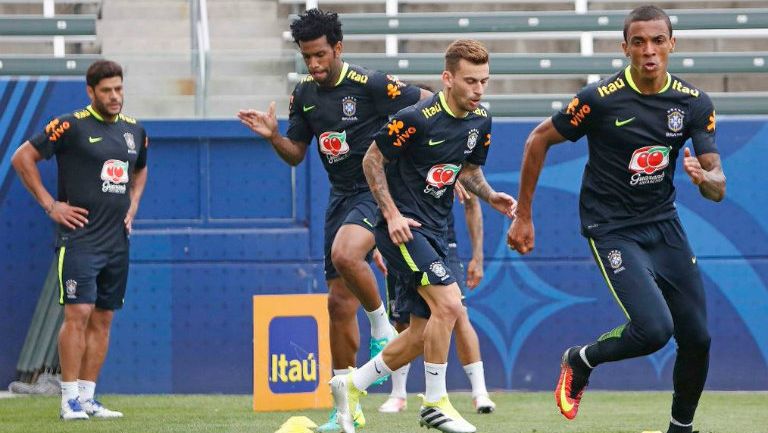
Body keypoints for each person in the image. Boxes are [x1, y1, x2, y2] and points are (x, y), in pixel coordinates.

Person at [506, 6, 725, 433]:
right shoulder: (598, 100)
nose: (649, 51)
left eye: (658, 41)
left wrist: (706, 177)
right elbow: (538, 140)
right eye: (639, 42)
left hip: (663, 224)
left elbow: (717, 184)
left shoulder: (694, 103)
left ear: (672, 44)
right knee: (655, 329)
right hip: (610, 228)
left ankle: (680, 429)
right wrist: (524, 215)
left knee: (697, 338)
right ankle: (580, 359)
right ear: (625, 47)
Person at [236, 9, 430, 432]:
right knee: (337, 305)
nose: (315, 64)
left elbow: (428, 101)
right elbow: (296, 153)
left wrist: (408, 151)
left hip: (376, 189)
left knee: (346, 254)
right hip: (339, 198)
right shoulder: (304, 93)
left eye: (321, 54)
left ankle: (382, 330)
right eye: (307, 57)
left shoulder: (370, 84)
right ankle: (346, 409)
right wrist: (273, 137)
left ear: (338, 48)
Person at [330, 39, 516, 433]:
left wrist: (490, 195)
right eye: (470, 81)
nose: (478, 89)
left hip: (436, 230)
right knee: (449, 305)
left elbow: (467, 172)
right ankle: (436, 402)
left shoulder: (481, 120)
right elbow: (371, 160)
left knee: (419, 333)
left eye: (484, 81)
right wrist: (391, 214)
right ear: (447, 78)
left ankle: (351, 385)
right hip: (402, 230)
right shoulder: (415, 117)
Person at [11, 60, 149, 420]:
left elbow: (141, 167)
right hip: (79, 240)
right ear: (91, 92)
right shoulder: (69, 125)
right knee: (79, 313)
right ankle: (68, 399)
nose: (115, 96)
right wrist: (50, 205)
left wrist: (133, 206)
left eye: (119, 88)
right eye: (106, 90)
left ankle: (88, 398)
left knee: (103, 319)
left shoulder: (135, 130)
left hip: (117, 242)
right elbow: (22, 157)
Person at [380, 185, 496, 415]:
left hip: (441, 245)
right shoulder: (396, 155)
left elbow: (472, 201)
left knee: (458, 312)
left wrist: (478, 257)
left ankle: (480, 392)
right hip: (401, 239)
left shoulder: (457, 154)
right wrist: (376, 242)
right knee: (403, 320)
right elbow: (378, 186)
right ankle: (398, 394)